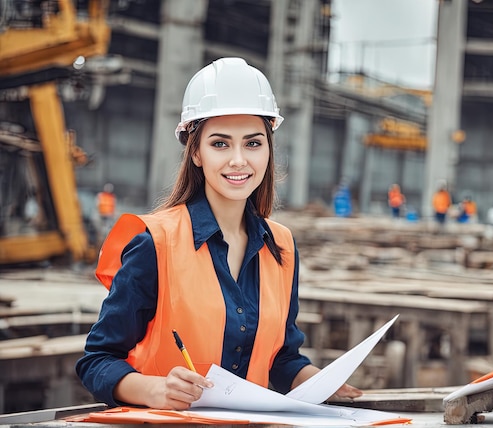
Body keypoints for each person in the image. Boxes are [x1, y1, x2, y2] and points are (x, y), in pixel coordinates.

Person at [75, 57, 362, 410]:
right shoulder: (156, 243)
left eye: (253, 143)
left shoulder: (281, 247)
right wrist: (155, 390)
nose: (239, 160)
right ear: (196, 152)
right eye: (221, 144)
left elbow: (282, 360)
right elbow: (97, 360)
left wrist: (321, 382)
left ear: (269, 151)